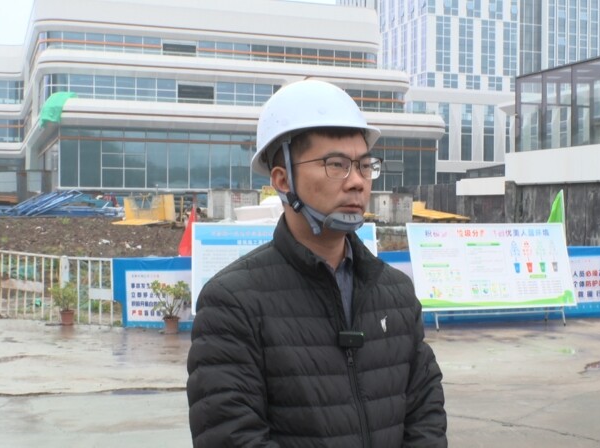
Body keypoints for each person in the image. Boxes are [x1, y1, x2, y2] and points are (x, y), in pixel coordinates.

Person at [187, 79, 447, 447]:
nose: (357, 182)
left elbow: (426, 417)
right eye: (336, 164)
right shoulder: (233, 303)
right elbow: (231, 436)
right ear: (283, 181)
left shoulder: (396, 293)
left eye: (364, 165)